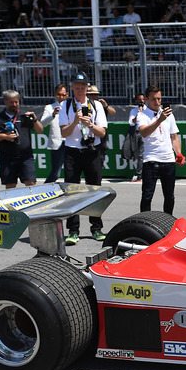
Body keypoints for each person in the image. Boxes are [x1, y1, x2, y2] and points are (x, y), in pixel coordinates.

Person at [58, 72, 108, 245]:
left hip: (92, 151)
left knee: (95, 190)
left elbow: (102, 132)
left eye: (83, 87)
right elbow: (64, 133)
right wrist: (75, 121)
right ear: (72, 88)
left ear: (87, 88)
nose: (80, 91)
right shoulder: (65, 105)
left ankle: (96, 228)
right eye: (77, 87)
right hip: (72, 152)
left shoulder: (96, 106)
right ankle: (73, 231)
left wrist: (90, 124)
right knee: (72, 191)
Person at [136, 85, 185, 214]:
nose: (157, 102)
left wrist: (179, 154)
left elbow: (174, 136)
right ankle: (144, 222)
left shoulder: (168, 114)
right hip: (151, 160)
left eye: (159, 99)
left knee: (170, 196)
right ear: (146, 99)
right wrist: (160, 119)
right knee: (147, 196)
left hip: (168, 159)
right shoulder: (142, 115)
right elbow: (144, 132)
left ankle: (168, 221)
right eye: (153, 99)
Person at [0, 89, 43, 189]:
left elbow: (40, 130)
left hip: (25, 156)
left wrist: (34, 119)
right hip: (7, 157)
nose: (14, 104)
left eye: (16, 102)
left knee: (30, 183)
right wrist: (5, 136)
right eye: (11, 102)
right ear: (5, 102)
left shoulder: (24, 115)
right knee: (10, 185)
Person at [41, 84, 67, 183]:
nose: (61, 97)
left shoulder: (70, 106)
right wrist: (53, 115)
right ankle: (44, 190)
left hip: (70, 141)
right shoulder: (49, 107)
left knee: (70, 172)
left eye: (63, 95)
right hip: (57, 143)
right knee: (56, 173)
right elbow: (42, 123)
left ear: (67, 95)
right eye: (59, 95)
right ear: (55, 95)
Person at [127, 92, 146, 182]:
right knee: (137, 154)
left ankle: (139, 174)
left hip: (146, 132)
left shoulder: (149, 109)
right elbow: (132, 122)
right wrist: (138, 114)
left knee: (142, 154)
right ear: (136, 101)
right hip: (137, 133)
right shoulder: (134, 111)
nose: (141, 101)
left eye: (143, 99)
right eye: (139, 100)